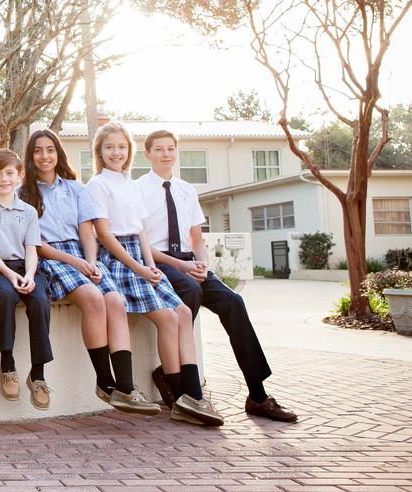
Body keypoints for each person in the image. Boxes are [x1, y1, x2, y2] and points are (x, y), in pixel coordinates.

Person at [136, 130, 299, 422]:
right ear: (147, 154)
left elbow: (196, 238)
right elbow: (142, 243)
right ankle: (184, 390)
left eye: (171, 149)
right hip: (160, 263)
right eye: (158, 149)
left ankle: (258, 394)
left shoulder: (187, 190)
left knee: (233, 301)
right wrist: (181, 266)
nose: (166, 154)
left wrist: (203, 265)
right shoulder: (137, 190)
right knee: (190, 291)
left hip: (190, 263)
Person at [86, 123, 223, 426]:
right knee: (168, 317)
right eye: (109, 147)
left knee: (183, 313)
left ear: (129, 151)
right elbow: (105, 235)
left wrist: (150, 266)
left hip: (140, 257)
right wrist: (137, 267)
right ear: (100, 152)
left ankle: (191, 396)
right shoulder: (97, 185)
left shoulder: (130, 184)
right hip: (118, 258)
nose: (116, 153)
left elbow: (142, 231)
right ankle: (179, 395)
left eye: (121, 147)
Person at [19, 129, 159, 417]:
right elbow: (34, 242)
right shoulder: (24, 193)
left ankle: (126, 386)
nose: (45, 156)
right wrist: (74, 261)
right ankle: (104, 382)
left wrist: (91, 261)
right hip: (53, 256)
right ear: (31, 156)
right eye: (38, 151)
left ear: (58, 153)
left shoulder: (75, 188)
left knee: (115, 301)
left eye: (50, 149)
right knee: (94, 299)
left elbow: (87, 230)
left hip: (84, 255)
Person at [0, 149, 51, 409]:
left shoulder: (28, 211)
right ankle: (8, 364)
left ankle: (37, 374)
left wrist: (28, 275)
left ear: (20, 175)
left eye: (9, 173)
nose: (4, 179)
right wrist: (10, 274)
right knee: (5, 295)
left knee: (39, 301)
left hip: (25, 266)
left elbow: (31, 249)